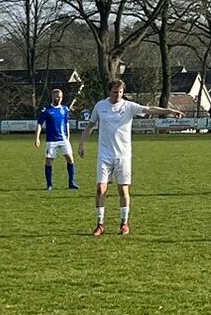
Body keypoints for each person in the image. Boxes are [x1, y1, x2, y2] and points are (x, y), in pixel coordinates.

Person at [86, 78, 182, 235]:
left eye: (120, 92)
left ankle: (124, 223)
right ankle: (100, 224)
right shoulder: (100, 106)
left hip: (123, 155)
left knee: (123, 190)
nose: (118, 95)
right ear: (109, 92)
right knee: (100, 188)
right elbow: (90, 125)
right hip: (104, 154)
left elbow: (150, 110)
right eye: (115, 92)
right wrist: (82, 143)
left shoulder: (129, 106)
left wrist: (169, 111)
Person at [34, 88, 78, 192]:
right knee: (49, 161)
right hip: (51, 140)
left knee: (70, 159)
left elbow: (66, 123)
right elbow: (39, 124)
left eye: (61, 97)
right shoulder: (46, 110)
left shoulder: (65, 109)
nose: (59, 99)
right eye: (57, 97)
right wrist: (37, 138)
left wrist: (68, 136)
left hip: (63, 139)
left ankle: (71, 183)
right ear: (53, 97)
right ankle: (49, 184)